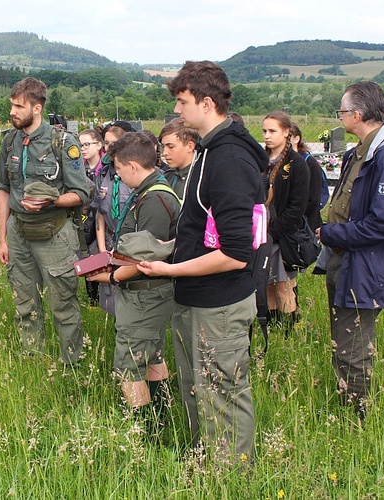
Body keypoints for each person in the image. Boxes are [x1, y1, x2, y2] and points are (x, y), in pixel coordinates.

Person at [138, 61, 267, 458]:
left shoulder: (229, 160)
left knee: (223, 395)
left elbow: (235, 253)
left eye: (182, 101)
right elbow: (201, 226)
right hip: (197, 296)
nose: (177, 111)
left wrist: (170, 268)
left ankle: (229, 475)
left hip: (221, 303)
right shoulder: (209, 151)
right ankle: (206, 461)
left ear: (206, 103)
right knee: (199, 389)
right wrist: (165, 247)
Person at [318, 81, 384, 420]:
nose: (341, 117)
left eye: (342, 111)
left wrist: (334, 232)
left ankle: (355, 419)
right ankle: (348, 406)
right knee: (343, 340)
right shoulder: (360, 151)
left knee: (353, 347)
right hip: (345, 259)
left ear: (357, 114)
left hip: (363, 265)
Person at [87, 132, 180, 429]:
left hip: (145, 295)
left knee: (129, 365)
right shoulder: (148, 192)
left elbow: (144, 261)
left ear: (133, 166)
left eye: (118, 167)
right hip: (145, 292)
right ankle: (160, 418)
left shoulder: (154, 200)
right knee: (151, 355)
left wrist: (109, 276)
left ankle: (144, 432)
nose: (116, 174)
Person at [0, 77, 89, 365]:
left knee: (63, 304)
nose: (12, 111)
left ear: (37, 108)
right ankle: (33, 362)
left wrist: (52, 200)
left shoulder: (62, 142)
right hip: (18, 233)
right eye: (11, 104)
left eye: (18, 106)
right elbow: (2, 190)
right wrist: (2, 239)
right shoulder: (9, 140)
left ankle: (72, 365)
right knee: (25, 303)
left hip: (54, 234)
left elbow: (81, 193)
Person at [262, 111, 310, 330]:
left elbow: (297, 207)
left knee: (283, 286)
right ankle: (272, 329)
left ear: (286, 132)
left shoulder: (296, 164)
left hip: (282, 236)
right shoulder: (261, 160)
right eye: (264, 131)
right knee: (266, 287)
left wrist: (273, 232)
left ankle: (288, 331)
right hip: (261, 233)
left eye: (273, 131)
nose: (267, 136)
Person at [91, 121, 135, 315]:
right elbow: (99, 212)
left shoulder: (135, 173)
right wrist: (102, 250)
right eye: (106, 143)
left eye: (113, 143)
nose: (108, 148)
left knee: (131, 294)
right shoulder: (103, 174)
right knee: (111, 299)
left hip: (131, 243)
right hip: (109, 241)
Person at [79, 128, 105, 306]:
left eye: (87, 144)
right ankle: (92, 301)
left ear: (99, 145)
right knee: (86, 259)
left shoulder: (105, 169)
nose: (83, 149)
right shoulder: (79, 168)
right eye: (80, 145)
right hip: (84, 220)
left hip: (102, 219)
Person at [290, 121, 325, 230]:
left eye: (288, 137)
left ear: (296, 139)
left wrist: (293, 215)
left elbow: (313, 198)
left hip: (306, 223)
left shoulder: (310, 164)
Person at [159, 117, 199, 200]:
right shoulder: (167, 177)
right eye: (163, 147)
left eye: (171, 147)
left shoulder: (202, 178)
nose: (165, 153)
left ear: (189, 146)